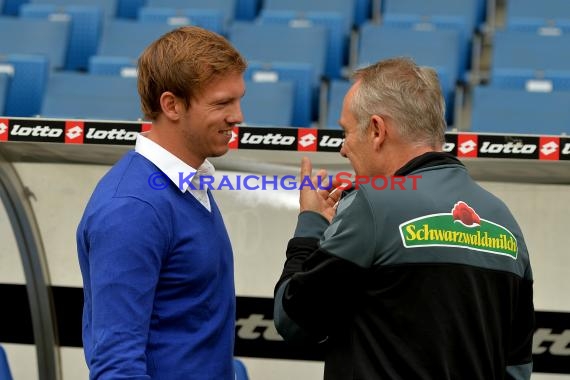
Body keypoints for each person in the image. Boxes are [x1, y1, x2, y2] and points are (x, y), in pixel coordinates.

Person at [274, 57, 535, 380]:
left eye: (346, 131)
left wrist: (311, 223)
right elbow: (517, 367)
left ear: (377, 130)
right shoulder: (504, 220)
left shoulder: (372, 204)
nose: (343, 149)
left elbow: (293, 320)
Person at [77, 26, 247, 379]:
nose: (238, 116)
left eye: (238, 99)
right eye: (222, 103)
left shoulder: (188, 182)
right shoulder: (132, 208)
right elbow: (116, 367)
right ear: (171, 105)